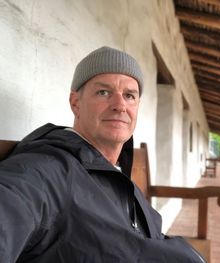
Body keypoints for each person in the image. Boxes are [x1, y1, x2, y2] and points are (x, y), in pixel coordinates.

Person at [0, 46, 206, 262]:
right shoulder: (47, 170)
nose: (120, 105)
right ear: (75, 103)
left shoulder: (114, 169)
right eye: (104, 92)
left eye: (129, 95)